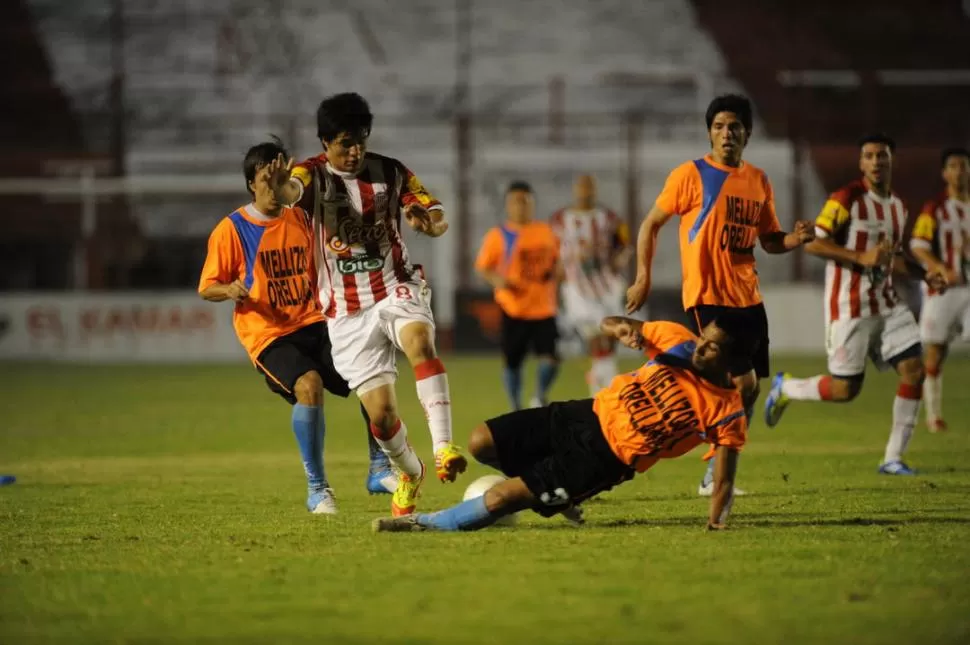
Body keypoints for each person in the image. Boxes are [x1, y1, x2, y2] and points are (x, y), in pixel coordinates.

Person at [264, 92, 466, 517]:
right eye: (343, 143)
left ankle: (445, 446)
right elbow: (289, 191)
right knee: (383, 416)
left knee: (420, 342)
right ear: (324, 143)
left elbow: (431, 210)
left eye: (360, 140)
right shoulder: (310, 174)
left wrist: (429, 223)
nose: (354, 151)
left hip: (396, 285)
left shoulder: (390, 171)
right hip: (346, 310)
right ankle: (409, 473)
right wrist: (279, 184)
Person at [372, 314, 752, 533]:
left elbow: (725, 479)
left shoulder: (725, 409)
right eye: (704, 338)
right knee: (479, 441)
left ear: (731, 360)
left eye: (712, 346)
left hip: (605, 459)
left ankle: (418, 524)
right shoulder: (677, 342)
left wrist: (716, 523)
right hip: (583, 413)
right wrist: (622, 327)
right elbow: (612, 323)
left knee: (505, 497)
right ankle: (559, 498)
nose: (700, 347)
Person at [625, 94, 815, 496]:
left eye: (734, 127)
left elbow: (769, 240)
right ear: (710, 132)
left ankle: (713, 462)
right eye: (718, 126)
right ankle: (711, 473)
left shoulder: (759, 180)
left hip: (749, 297)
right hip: (708, 296)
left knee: (749, 388)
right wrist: (642, 277)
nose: (726, 133)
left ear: (747, 133)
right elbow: (650, 225)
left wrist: (795, 238)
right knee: (738, 385)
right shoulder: (689, 175)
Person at [198, 138, 396, 515]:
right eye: (265, 177)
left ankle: (379, 467)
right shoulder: (232, 229)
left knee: (370, 370)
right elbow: (207, 286)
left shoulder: (303, 218)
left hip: (315, 320)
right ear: (251, 184)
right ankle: (318, 488)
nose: (274, 184)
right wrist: (229, 289)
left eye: (279, 175)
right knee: (309, 385)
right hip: (269, 334)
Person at [764, 133, 947, 475]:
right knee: (845, 389)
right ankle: (786, 387)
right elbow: (814, 244)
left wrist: (924, 274)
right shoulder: (846, 198)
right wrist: (860, 256)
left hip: (887, 304)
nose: (877, 161)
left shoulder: (898, 205)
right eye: (870, 156)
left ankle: (893, 457)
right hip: (849, 307)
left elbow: (890, 258)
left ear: (892, 160)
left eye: (882, 155)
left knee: (914, 370)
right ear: (861, 163)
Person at [476, 181, 563, 410]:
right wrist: (498, 280)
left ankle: (539, 396)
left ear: (532, 203)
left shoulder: (545, 231)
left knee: (552, 358)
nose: (521, 206)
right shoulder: (499, 235)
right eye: (516, 201)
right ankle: (515, 406)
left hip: (544, 307)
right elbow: (483, 267)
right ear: (508, 205)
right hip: (513, 308)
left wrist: (558, 273)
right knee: (513, 361)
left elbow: (557, 261)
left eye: (525, 201)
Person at [550, 174, 631, 396]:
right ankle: (606, 386)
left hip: (606, 284)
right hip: (577, 287)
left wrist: (618, 260)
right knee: (594, 336)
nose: (585, 191)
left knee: (611, 334)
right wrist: (555, 284)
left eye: (590, 187)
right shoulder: (559, 219)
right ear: (575, 189)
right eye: (582, 186)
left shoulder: (609, 218)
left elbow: (625, 246)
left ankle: (600, 379)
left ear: (595, 190)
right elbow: (553, 253)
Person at [908, 147, 970, 432]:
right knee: (934, 353)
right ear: (945, 173)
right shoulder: (935, 208)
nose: (960, 171)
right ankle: (933, 417)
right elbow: (918, 245)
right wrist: (940, 267)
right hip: (942, 291)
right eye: (954, 166)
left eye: (964, 166)